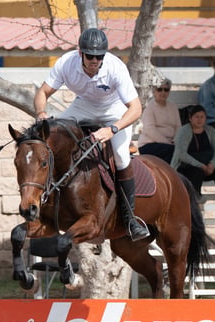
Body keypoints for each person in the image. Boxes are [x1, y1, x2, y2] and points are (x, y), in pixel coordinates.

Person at [33, 28, 149, 241]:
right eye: (90, 56)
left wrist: (112, 129)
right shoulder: (66, 63)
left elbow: (135, 108)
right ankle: (43, 201)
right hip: (83, 106)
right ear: (80, 53)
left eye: (99, 56)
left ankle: (130, 218)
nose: (95, 60)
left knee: (122, 156)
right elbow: (43, 92)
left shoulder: (115, 68)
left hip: (115, 111)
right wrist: (41, 113)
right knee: (54, 137)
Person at [171, 105, 215, 204]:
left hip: (207, 165)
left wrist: (212, 164)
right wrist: (200, 165)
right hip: (186, 166)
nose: (199, 120)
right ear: (190, 118)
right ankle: (195, 200)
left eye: (202, 117)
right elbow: (181, 154)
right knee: (197, 172)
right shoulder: (184, 131)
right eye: (196, 117)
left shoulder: (210, 130)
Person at [137, 78, 181, 164]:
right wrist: (167, 143)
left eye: (166, 90)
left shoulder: (173, 107)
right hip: (149, 144)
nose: (163, 92)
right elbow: (150, 130)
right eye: (159, 89)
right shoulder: (149, 107)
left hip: (170, 143)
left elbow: (178, 127)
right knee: (172, 151)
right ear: (154, 92)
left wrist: (176, 140)